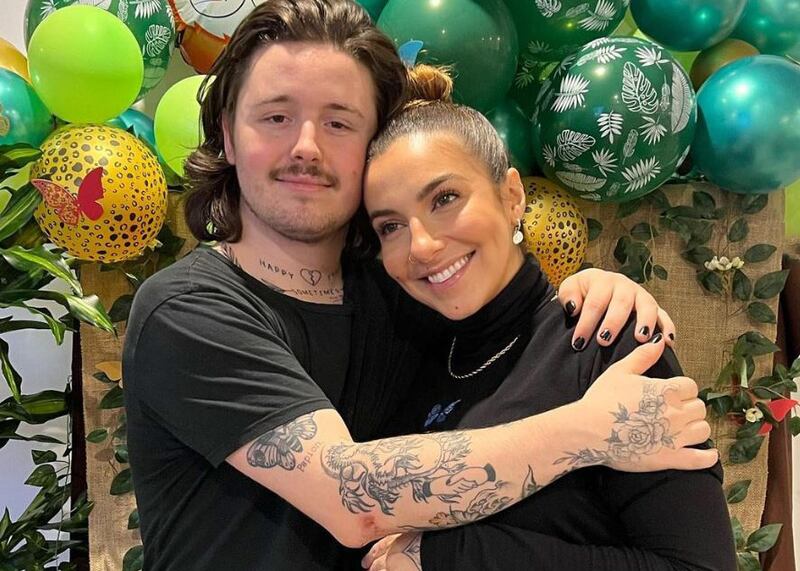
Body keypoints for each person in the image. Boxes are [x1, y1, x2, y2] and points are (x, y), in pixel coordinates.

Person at [122, 1, 716, 569]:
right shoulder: (189, 309)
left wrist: (595, 288)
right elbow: (352, 496)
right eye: (276, 117)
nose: (306, 146)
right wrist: (591, 430)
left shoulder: (406, 296)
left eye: (339, 122)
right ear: (228, 135)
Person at [360, 67, 735, 571]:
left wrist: (450, 555)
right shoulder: (409, 367)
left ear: (512, 195)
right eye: (390, 226)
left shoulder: (607, 340)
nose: (422, 246)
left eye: (445, 199)